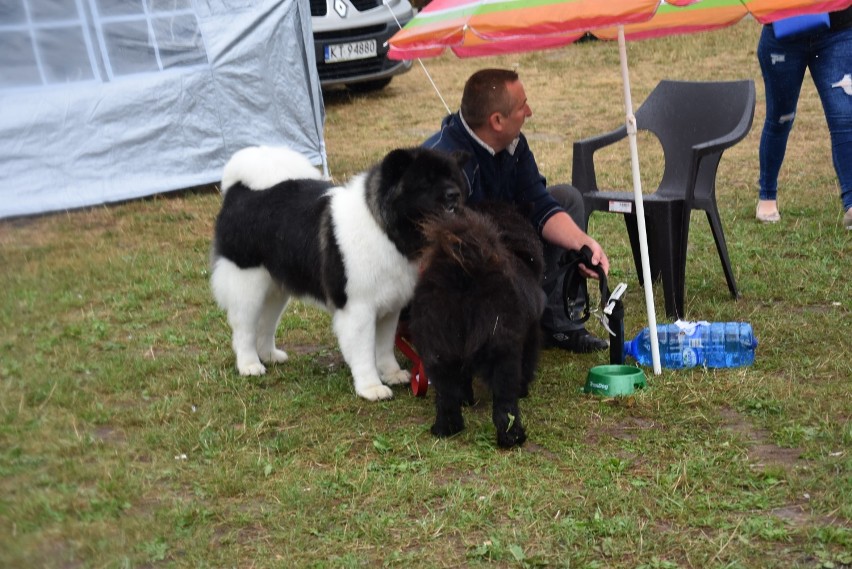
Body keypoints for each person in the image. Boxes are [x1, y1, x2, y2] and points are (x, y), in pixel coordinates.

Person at [423, 68, 610, 353]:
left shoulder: (513, 143)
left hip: (502, 251)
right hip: (460, 273)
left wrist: (583, 244)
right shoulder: (444, 164)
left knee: (566, 199)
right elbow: (433, 251)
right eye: (522, 106)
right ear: (496, 121)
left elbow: (540, 204)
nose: (530, 112)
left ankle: (559, 325)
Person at [755, 6, 852, 230]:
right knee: (781, 117)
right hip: (782, 32)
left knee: (844, 117)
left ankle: (850, 204)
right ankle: (767, 194)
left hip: (838, 32)